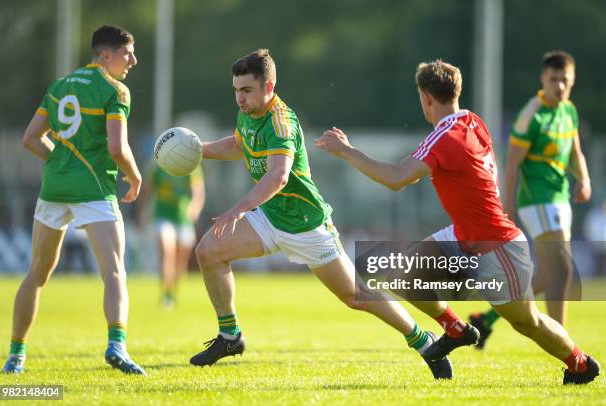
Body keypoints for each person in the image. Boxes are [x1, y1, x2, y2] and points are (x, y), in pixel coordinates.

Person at [314, 60, 600, 384]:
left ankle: (579, 363)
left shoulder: (445, 137)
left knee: (527, 323)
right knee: (403, 273)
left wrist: (348, 151)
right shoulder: (471, 121)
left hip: (497, 247)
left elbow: (396, 178)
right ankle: (455, 328)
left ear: (425, 97)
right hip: (465, 236)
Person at [188, 49, 452, 379]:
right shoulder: (248, 113)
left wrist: (237, 210)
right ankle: (230, 337)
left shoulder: (281, 122)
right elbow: (240, 144)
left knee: (357, 297)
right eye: (236, 90)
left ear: (269, 86)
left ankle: (422, 340)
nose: (239, 98)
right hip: (270, 217)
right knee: (208, 252)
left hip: (306, 225)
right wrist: (199, 150)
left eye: (246, 90)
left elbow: (278, 176)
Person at [1, 25, 145, 375]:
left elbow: (31, 139)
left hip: (54, 188)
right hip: (94, 189)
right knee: (113, 271)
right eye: (128, 53)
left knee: (36, 273)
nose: (133, 61)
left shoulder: (60, 85)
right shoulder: (116, 91)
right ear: (106, 55)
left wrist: (61, 163)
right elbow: (117, 147)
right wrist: (136, 175)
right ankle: (117, 346)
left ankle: (16, 356)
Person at [470, 51, 592, 348]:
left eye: (566, 80)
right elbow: (511, 165)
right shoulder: (531, 115)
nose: (560, 86)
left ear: (572, 80)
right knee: (562, 270)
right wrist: (507, 208)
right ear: (543, 79)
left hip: (560, 197)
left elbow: (574, 151)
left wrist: (584, 178)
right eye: (554, 80)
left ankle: (485, 321)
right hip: (537, 200)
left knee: (548, 274)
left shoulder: (569, 111)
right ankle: (564, 346)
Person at [142, 164, 205, 308]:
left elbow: (198, 192)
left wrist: (194, 208)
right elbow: (148, 190)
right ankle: (165, 293)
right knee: (167, 251)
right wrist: (143, 212)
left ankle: (173, 293)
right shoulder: (158, 167)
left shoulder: (191, 166)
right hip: (162, 216)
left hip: (183, 218)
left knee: (180, 260)